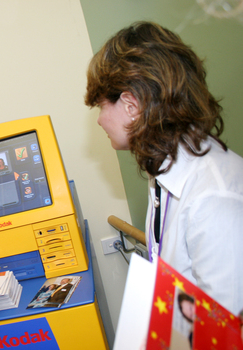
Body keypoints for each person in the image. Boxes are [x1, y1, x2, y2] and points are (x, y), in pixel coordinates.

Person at [85, 21, 243, 315]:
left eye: (101, 106)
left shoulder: (213, 198)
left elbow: (221, 330)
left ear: (131, 105)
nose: (99, 120)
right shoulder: (165, 169)